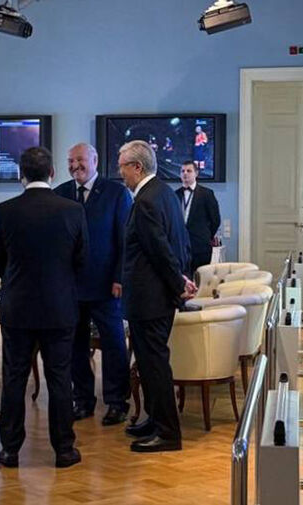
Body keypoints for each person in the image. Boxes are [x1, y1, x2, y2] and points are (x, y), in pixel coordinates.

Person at [0, 147, 88, 468]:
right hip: (59, 307)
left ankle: (9, 450)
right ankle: (64, 449)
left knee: (13, 378)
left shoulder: (4, 211)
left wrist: (14, 280)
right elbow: (82, 259)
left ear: (21, 174)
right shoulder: (73, 211)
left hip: (17, 308)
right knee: (60, 379)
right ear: (52, 173)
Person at [118, 140, 196, 453]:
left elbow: (159, 250)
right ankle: (154, 419)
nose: (120, 173)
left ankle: (167, 433)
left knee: (154, 366)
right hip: (157, 297)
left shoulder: (146, 200)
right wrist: (181, 278)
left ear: (137, 167)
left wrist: (178, 283)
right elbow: (180, 242)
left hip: (150, 299)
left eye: (123, 167)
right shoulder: (163, 192)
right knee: (150, 364)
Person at [54, 143, 133, 426]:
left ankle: (117, 402)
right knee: (75, 346)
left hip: (106, 286)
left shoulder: (116, 193)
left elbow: (125, 239)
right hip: (70, 287)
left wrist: (119, 277)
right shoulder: (60, 194)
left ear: (95, 160)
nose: (75, 165)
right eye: (70, 161)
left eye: (80, 160)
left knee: (113, 344)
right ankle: (83, 400)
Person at [176, 160, 221, 275]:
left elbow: (215, 220)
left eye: (189, 171)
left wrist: (205, 235)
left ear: (196, 173)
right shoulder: (175, 195)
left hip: (201, 247)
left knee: (201, 279)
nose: (185, 174)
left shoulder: (207, 194)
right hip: (180, 247)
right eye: (182, 171)